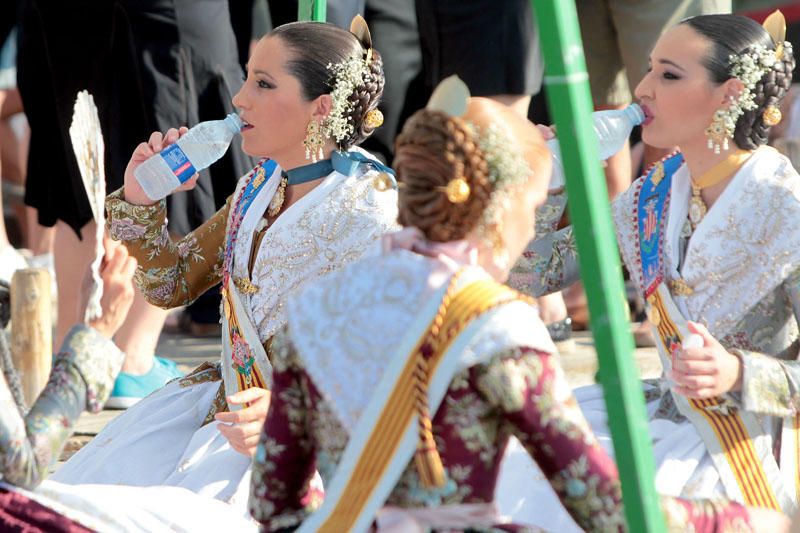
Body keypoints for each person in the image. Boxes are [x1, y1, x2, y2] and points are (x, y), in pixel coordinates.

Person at [247, 78, 788, 532]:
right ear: (503, 205)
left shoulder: (317, 308)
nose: (534, 223)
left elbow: (271, 505)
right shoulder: (496, 327)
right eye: (536, 204)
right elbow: (606, 510)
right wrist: (747, 521)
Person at [51, 17, 398, 516]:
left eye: (263, 83)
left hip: (301, 440)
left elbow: (394, 356)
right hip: (222, 414)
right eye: (247, 78)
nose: (239, 99)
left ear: (320, 107)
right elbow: (171, 283)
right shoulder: (258, 187)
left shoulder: (373, 210)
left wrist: (291, 415)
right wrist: (142, 198)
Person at [512, 11, 800, 528]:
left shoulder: (787, 210)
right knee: (520, 458)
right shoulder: (652, 195)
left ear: (730, 93)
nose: (641, 89)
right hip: (664, 412)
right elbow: (530, 277)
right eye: (648, 70)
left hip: (751, 436)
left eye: (668, 75)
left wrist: (739, 372)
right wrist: (548, 184)